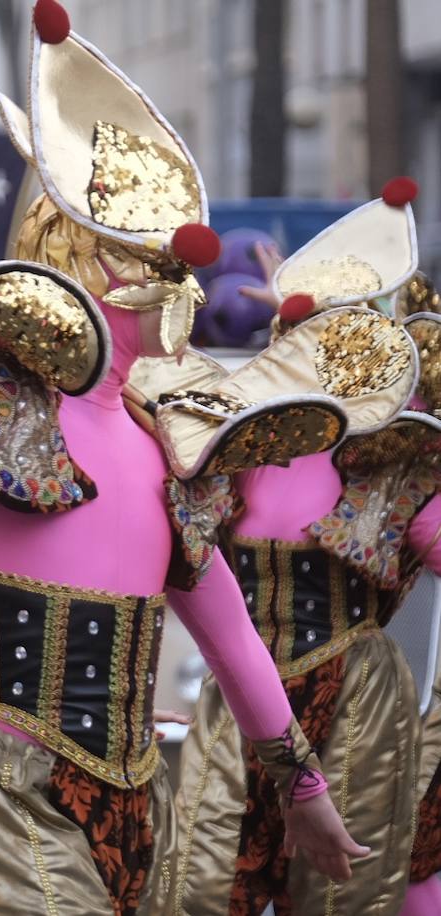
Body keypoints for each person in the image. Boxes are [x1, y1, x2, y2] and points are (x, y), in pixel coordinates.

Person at [0, 1, 369, 911]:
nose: (177, 283)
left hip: (136, 803)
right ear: (87, 263)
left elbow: (231, 638)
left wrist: (304, 789)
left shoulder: (170, 450)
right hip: (6, 794)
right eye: (148, 261)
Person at [170, 178, 441, 913]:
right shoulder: (239, 442)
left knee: (339, 897)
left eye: (327, 333)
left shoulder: (398, 459)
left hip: (354, 696)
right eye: (295, 332)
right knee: (198, 887)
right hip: (240, 696)